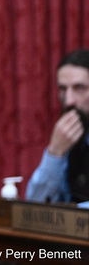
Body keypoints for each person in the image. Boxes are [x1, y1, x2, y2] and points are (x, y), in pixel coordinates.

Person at [26, 48, 89, 203]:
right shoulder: (71, 138)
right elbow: (36, 205)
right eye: (62, 89)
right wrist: (55, 152)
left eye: (79, 88)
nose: (68, 101)